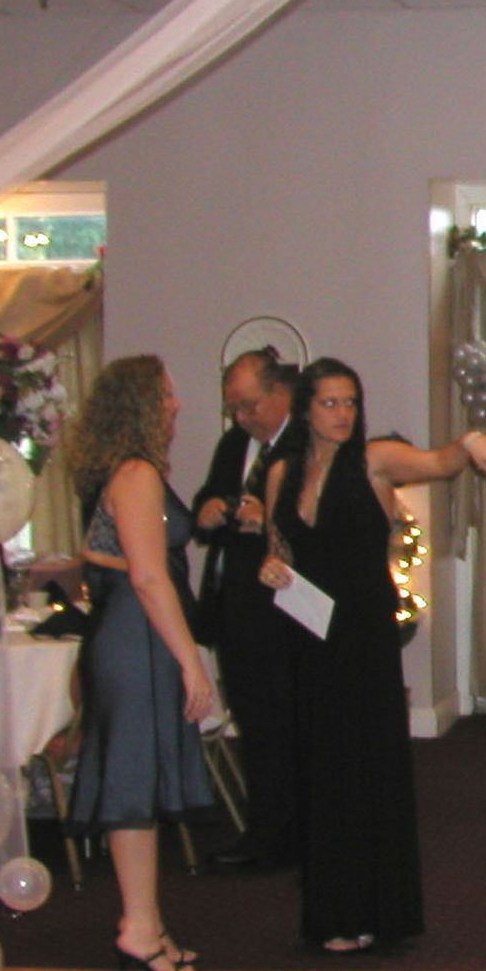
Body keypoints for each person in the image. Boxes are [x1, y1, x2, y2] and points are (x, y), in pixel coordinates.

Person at [257, 358, 486, 954]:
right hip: (310, 633)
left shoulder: (373, 459)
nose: (343, 415)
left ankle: (375, 910)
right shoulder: (280, 472)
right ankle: (331, 912)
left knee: (365, 767)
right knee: (320, 770)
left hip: (363, 635)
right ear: (305, 409)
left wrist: (469, 441)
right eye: (331, 403)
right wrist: (271, 568)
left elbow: (439, 463)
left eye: (351, 403)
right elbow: (279, 547)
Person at [64, 355, 217, 971]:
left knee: (140, 788)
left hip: (131, 636)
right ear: (140, 406)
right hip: (137, 639)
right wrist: (193, 664)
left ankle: (145, 923)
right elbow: (152, 579)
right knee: (133, 785)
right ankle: (137, 928)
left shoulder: (124, 472)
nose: (176, 405)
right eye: (168, 395)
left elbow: (107, 557)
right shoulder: (136, 474)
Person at [190, 347, 298, 868]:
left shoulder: (304, 444)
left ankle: (291, 833)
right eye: (234, 407)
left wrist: (270, 520)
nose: (241, 417)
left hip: (284, 610)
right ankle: (263, 830)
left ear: (280, 395)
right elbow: (209, 501)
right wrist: (208, 511)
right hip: (235, 604)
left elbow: (316, 526)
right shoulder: (235, 443)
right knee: (253, 723)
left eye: (249, 405)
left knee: (286, 725)